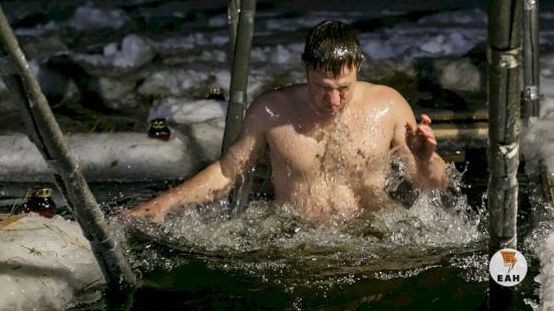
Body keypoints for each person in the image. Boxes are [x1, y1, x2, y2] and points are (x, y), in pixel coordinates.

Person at [120, 20, 448, 223]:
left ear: (358, 68)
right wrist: (163, 204)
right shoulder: (272, 111)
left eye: (343, 89)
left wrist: (425, 159)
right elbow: (227, 173)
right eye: (323, 88)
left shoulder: (388, 106)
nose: (334, 101)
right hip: (299, 243)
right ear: (304, 69)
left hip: (373, 241)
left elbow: (434, 187)